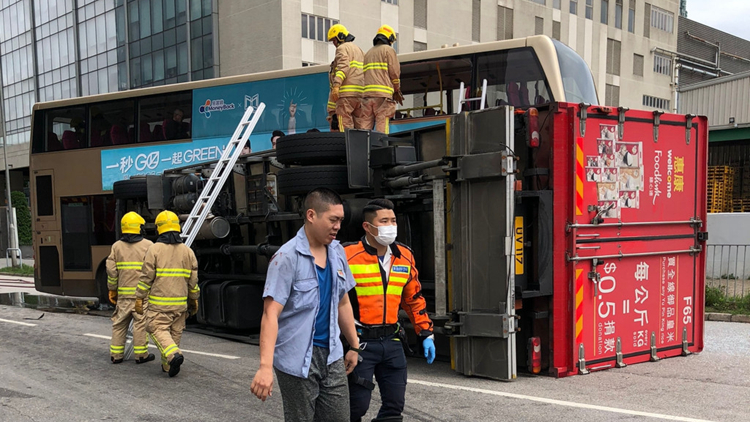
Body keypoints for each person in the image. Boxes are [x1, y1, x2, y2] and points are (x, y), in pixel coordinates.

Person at [251, 188, 360, 422]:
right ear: (311, 215)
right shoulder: (286, 257)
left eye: (340, 220)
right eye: (333, 220)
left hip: (332, 355)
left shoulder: (337, 252)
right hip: (298, 357)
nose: (337, 226)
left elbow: (342, 301)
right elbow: (271, 313)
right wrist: (265, 367)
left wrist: (354, 345)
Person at [343, 199, 435, 422]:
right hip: (360, 343)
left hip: (392, 342)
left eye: (393, 221)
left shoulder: (404, 255)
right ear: (367, 226)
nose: (390, 226)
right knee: (355, 408)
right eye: (384, 221)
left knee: (394, 408)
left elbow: (413, 298)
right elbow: (334, 301)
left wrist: (426, 333)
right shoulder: (346, 254)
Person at [135, 210, 200, 377]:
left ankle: (173, 356)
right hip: (180, 305)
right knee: (175, 332)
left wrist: (140, 297)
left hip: (160, 304)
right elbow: (193, 282)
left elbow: (146, 278)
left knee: (156, 328)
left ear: (159, 229)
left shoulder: (154, 249)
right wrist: (194, 300)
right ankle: (167, 366)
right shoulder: (187, 251)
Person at [106, 212, 155, 364]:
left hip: (123, 296)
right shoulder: (149, 246)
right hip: (141, 296)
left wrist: (112, 289)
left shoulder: (116, 247)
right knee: (140, 324)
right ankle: (141, 355)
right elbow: (154, 270)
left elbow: (111, 271)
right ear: (139, 228)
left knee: (119, 324)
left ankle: (116, 355)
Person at [361, 25, 403, 134]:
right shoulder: (389, 50)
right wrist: (396, 90)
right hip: (382, 96)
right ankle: (380, 148)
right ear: (389, 38)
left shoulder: (368, 53)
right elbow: (394, 72)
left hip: (367, 96)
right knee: (382, 123)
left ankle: (363, 149)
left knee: (365, 126)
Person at [328, 24, 365, 131]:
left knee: (345, 126)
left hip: (346, 95)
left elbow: (343, 66)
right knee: (360, 127)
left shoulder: (342, 48)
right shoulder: (359, 50)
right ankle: (361, 147)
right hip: (360, 95)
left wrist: (337, 85)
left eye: (334, 40)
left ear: (340, 36)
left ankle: (347, 147)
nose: (334, 43)